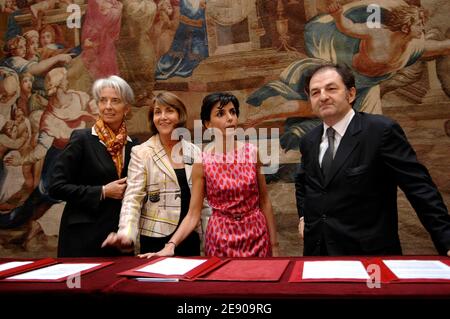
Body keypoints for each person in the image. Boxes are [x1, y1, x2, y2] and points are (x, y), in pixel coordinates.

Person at [295, 63, 450, 256]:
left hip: (368, 255)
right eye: (315, 92)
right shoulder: (308, 141)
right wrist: (303, 216)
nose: (323, 96)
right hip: (318, 253)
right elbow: (303, 183)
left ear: (351, 94)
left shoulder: (381, 131)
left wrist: (447, 241)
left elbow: (419, 189)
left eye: (331, 88)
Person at [138, 92, 279, 258]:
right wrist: (170, 246)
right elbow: (193, 214)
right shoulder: (202, 162)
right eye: (221, 113)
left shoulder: (253, 153)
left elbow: (264, 201)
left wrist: (274, 245)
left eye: (232, 112)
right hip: (220, 240)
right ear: (208, 124)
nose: (230, 118)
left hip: (257, 235)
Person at [102, 91, 208, 256]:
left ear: (180, 115)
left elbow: (204, 202)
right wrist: (126, 233)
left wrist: (211, 235)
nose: (163, 117)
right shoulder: (141, 152)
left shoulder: (194, 151)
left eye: (169, 111)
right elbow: (132, 198)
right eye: (158, 112)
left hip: (189, 236)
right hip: (155, 239)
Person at [48, 75, 139, 257]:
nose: (108, 107)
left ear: (126, 108)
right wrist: (103, 191)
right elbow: (55, 187)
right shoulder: (82, 139)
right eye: (103, 100)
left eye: (115, 101)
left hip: (117, 237)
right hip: (82, 236)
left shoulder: (134, 146)